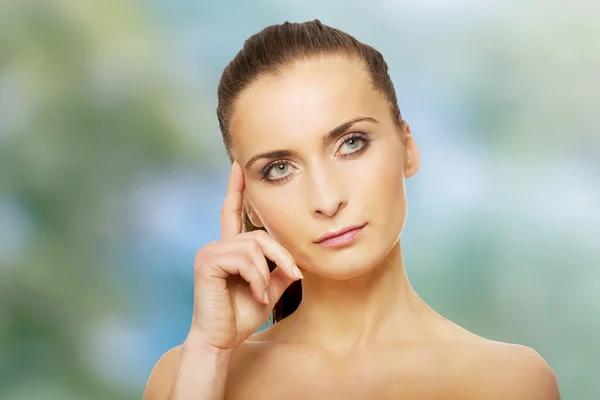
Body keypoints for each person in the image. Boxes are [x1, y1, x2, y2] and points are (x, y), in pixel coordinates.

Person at [142, 20, 560, 399]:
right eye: (280, 169)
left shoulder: (509, 381)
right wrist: (209, 356)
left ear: (407, 147)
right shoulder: (184, 375)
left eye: (352, 143)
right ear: (247, 201)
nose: (326, 201)